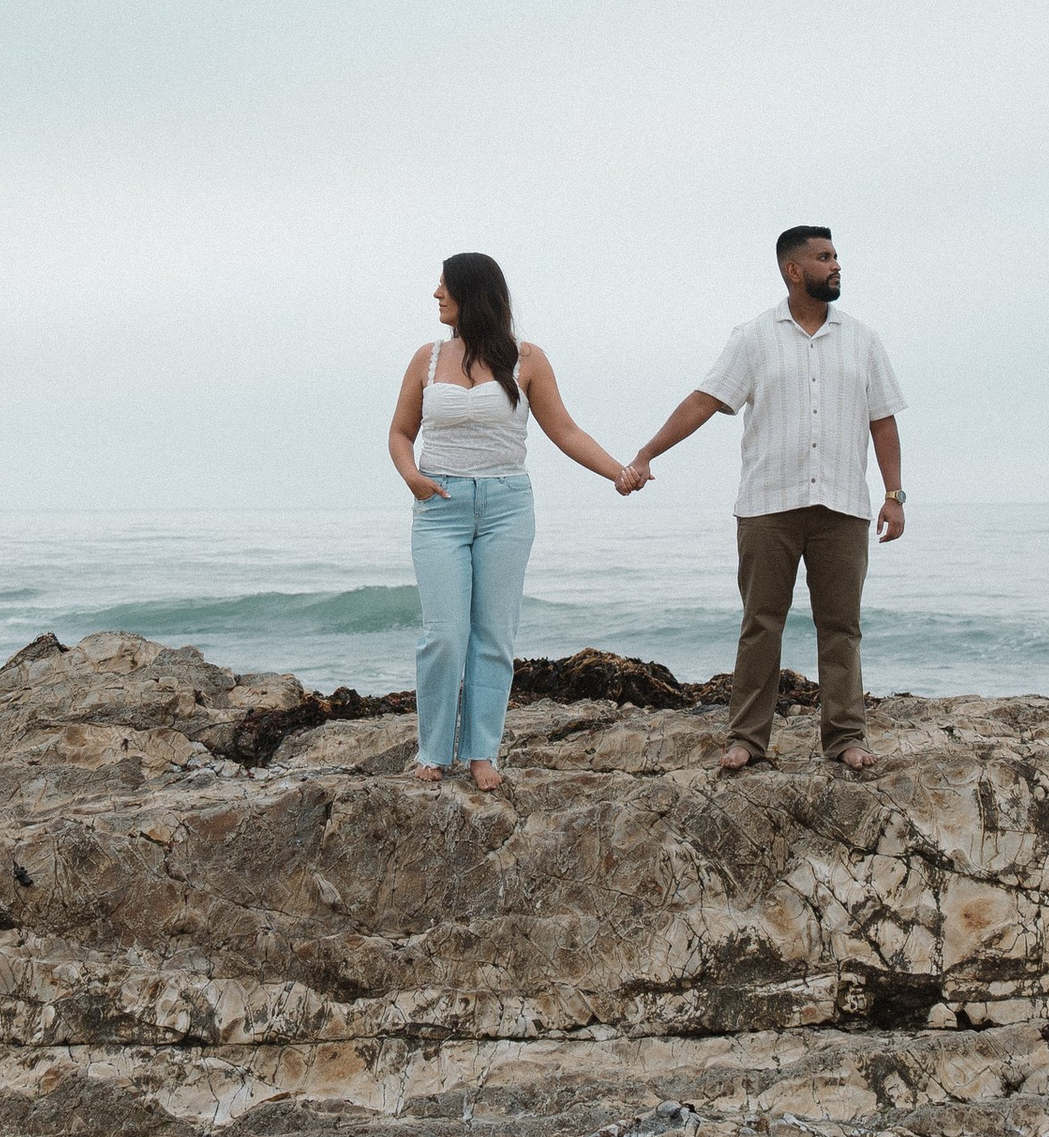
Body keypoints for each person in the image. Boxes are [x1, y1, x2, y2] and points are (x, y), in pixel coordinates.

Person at [623, 226, 904, 774]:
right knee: (761, 624)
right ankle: (747, 739)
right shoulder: (753, 337)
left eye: (836, 255)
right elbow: (705, 400)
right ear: (793, 271)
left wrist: (894, 495)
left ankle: (846, 737)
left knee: (841, 628)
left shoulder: (864, 340)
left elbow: (883, 420)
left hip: (843, 505)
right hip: (768, 505)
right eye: (824, 257)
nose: (836, 264)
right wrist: (648, 452)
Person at [387, 252, 638, 791]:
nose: (436, 294)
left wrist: (617, 471)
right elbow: (400, 433)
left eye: (445, 285)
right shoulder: (427, 358)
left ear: (472, 293)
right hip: (440, 506)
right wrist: (412, 477)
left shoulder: (528, 359)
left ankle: (482, 752)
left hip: (506, 506)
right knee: (444, 635)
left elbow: (565, 431)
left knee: (494, 635)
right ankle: (433, 750)